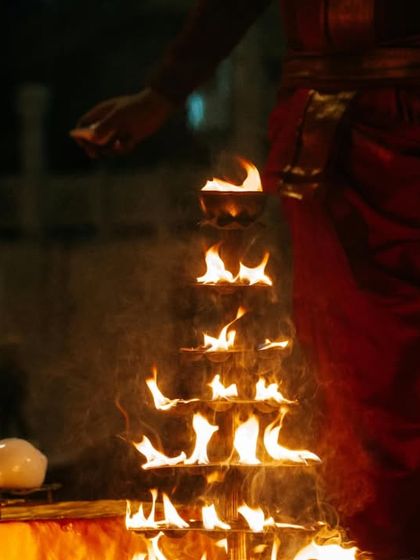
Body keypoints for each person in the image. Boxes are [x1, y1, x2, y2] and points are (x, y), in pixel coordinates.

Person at [73, 2, 420, 558]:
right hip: (333, 148)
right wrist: (163, 93)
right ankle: (381, 542)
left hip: (404, 129)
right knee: (353, 367)